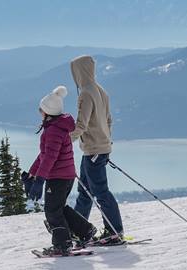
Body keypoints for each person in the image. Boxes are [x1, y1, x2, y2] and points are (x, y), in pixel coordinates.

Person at [22, 85, 97, 256]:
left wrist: (40, 180)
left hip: (58, 177)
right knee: (59, 207)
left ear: (48, 112)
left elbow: (50, 158)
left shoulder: (53, 131)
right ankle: (85, 230)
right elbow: (44, 155)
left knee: (52, 210)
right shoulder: (56, 127)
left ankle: (62, 245)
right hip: (65, 176)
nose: (39, 111)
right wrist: (32, 174)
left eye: (41, 109)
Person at [69, 55, 124, 243]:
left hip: (93, 150)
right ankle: (77, 230)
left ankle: (114, 231)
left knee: (100, 192)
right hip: (98, 148)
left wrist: (64, 141)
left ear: (79, 71)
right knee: (85, 192)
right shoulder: (101, 90)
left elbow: (81, 124)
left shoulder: (85, 93)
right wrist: (107, 142)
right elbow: (109, 120)